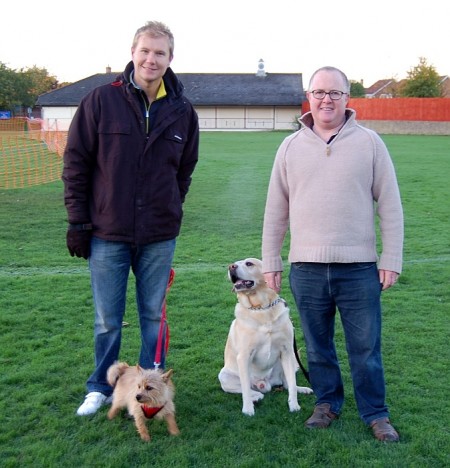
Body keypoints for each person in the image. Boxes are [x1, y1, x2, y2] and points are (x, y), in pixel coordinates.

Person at [62, 21, 199, 416]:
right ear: (133, 52)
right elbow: (76, 164)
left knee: (153, 315)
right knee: (108, 318)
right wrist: (78, 222)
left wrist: (170, 206)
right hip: (108, 231)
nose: (151, 59)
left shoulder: (182, 111)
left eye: (160, 53)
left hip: (159, 234)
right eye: (145, 51)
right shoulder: (101, 101)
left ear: (170, 58)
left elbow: (184, 170)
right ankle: (100, 387)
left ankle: (151, 389)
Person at [262, 66, 403, 442]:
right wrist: (272, 261)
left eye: (335, 93)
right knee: (317, 345)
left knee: (366, 348)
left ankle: (375, 413)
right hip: (306, 267)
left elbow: (390, 203)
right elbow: (276, 209)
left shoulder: (370, 142)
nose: (327, 99)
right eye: (319, 92)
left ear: (347, 98)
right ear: (309, 97)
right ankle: (326, 403)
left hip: (358, 268)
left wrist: (391, 258)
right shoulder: (290, 147)